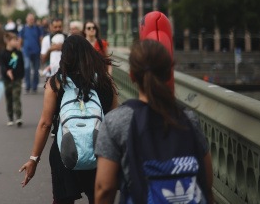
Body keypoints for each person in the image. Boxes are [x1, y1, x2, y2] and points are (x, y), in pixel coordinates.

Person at [94, 39, 213, 203]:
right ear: (168, 73)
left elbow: (105, 188)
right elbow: (206, 180)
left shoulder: (117, 121)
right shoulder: (188, 118)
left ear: (132, 75)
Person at [19, 35, 117, 204]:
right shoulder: (105, 82)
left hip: (64, 151)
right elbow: (115, 122)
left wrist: (34, 159)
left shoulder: (56, 83)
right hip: (99, 152)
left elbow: (45, 124)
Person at [0, 31, 24, 126]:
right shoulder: (3, 53)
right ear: (8, 41)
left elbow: (22, 64)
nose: (17, 42)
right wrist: (7, 71)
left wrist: (22, 75)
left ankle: (18, 117)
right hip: (7, 80)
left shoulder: (18, 53)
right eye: (15, 40)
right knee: (9, 97)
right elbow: (2, 65)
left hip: (17, 78)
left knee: (16, 96)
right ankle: (10, 117)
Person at [19, 13, 44, 93]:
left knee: (36, 70)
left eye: (32, 19)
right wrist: (19, 49)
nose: (31, 20)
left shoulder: (37, 29)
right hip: (26, 52)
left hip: (36, 52)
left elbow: (41, 39)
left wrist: (42, 51)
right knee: (27, 68)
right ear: (26, 20)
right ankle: (27, 85)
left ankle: (34, 86)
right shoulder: (23, 29)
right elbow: (20, 40)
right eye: (29, 19)